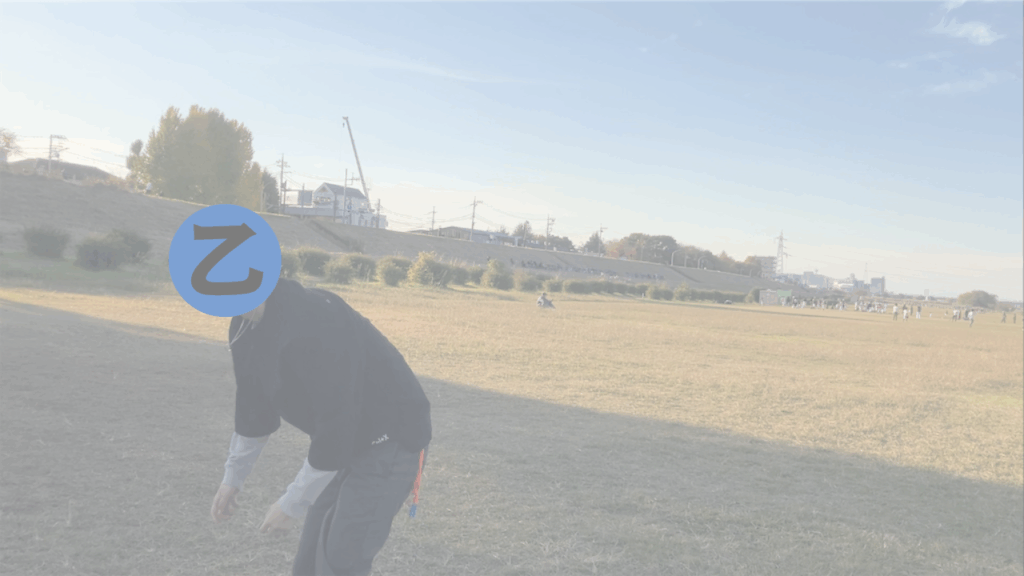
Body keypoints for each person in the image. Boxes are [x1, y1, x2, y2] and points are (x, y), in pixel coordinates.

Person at [211, 278, 432, 576]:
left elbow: (337, 420)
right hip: (346, 442)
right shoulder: (244, 327)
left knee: (342, 556)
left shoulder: (317, 317)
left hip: (392, 437)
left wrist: (291, 504)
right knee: (311, 555)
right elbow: (254, 405)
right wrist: (233, 478)